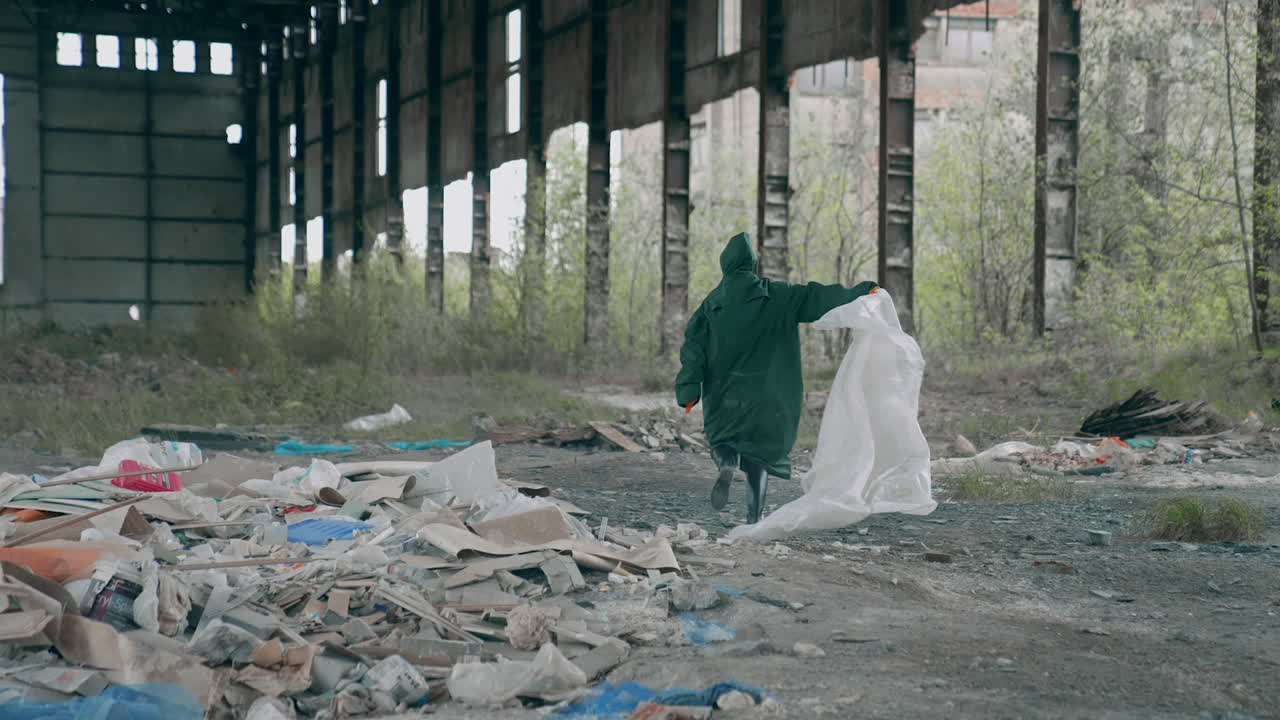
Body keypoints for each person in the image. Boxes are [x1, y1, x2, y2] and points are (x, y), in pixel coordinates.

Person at [675, 232, 878, 524]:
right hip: (769, 396)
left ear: (725, 265)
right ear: (752, 264)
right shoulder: (778, 295)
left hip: (725, 393)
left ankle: (727, 462)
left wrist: (689, 391)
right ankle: (754, 516)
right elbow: (817, 297)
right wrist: (863, 291)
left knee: (721, 438)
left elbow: (692, 351)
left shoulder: (711, 306)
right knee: (760, 456)